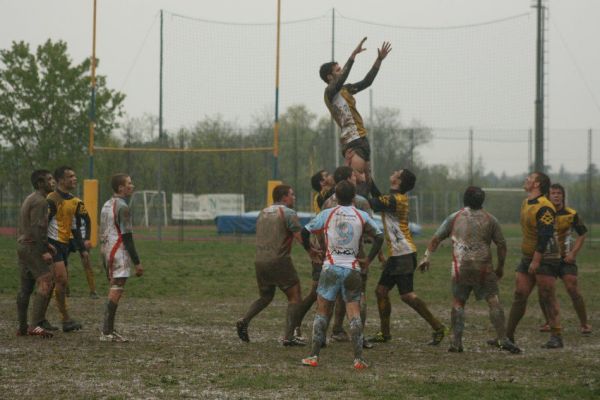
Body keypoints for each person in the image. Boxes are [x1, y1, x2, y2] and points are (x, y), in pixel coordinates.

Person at [419, 187, 520, 353]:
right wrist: (501, 266)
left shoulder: (455, 217)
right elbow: (501, 244)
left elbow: (436, 238)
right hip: (483, 266)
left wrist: (426, 257)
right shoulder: (490, 219)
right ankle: (502, 339)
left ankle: (456, 342)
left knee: (459, 301)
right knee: (493, 299)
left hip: (461, 266)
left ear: (464, 199)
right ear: (482, 201)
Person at [301, 180, 384, 369]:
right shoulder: (361, 215)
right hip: (353, 269)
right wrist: (369, 259)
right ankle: (358, 359)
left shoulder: (327, 214)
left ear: (335, 196)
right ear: (354, 196)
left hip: (330, 267)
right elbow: (379, 236)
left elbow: (304, 232)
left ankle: (313, 356)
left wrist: (310, 251)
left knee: (322, 310)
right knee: (353, 312)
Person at [365, 169, 447, 346]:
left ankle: (438, 327)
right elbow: (379, 198)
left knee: (407, 295)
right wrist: (367, 176)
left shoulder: (396, 200)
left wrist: (361, 184)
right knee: (381, 292)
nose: (393, 172)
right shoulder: (394, 198)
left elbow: (372, 202)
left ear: (399, 181)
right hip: (397, 254)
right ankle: (385, 333)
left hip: (404, 253)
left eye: (397, 172)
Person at [236, 184, 306, 346]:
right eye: (292, 195)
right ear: (283, 197)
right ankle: (289, 337)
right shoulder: (288, 213)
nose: (294, 198)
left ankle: (244, 320)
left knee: (266, 296)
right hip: (279, 260)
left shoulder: (263, 212)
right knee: (295, 296)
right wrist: (314, 254)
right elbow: (300, 238)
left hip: (260, 261)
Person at [320, 37, 392, 193]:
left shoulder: (345, 89)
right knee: (355, 182)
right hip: (351, 142)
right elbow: (343, 77)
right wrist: (353, 55)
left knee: (367, 182)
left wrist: (379, 60)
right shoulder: (330, 93)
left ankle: (375, 208)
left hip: (362, 138)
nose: (341, 71)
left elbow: (367, 82)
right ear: (330, 77)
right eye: (338, 70)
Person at [504, 172, 563, 349]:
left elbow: (545, 236)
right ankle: (507, 337)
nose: (526, 179)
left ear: (537, 184)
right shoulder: (526, 202)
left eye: (530, 178)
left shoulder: (545, 206)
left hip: (546, 257)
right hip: (529, 256)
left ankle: (556, 335)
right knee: (520, 294)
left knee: (547, 295)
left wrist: (536, 261)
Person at [320, 166, 373, 347]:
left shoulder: (327, 203)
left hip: (331, 256)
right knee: (357, 296)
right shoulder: (361, 203)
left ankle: (331, 332)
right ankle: (359, 337)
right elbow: (372, 232)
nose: (357, 178)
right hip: (355, 257)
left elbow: (320, 230)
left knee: (329, 296)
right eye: (354, 176)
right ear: (348, 180)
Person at [538, 183, 591, 335]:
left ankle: (584, 324)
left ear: (563, 196)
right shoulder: (542, 213)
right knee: (544, 291)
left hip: (565, 259)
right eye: (553, 193)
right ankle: (549, 322)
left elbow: (582, 234)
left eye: (558, 193)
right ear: (548, 196)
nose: (556, 195)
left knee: (572, 288)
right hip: (547, 258)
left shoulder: (571, 213)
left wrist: (573, 253)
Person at [99, 173, 144, 342]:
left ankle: (108, 329)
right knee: (117, 287)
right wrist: (137, 263)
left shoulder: (106, 204)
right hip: (118, 250)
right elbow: (127, 237)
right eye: (129, 183)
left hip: (106, 249)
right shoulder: (123, 207)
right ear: (120, 188)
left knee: (115, 287)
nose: (132, 186)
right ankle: (106, 331)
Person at [16, 170, 56, 338]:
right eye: (49, 179)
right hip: (33, 247)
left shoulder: (29, 198)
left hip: (23, 245)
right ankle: (35, 325)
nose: (53, 182)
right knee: (46, 280)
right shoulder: (41, 202)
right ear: (40, 183)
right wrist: (44, 250)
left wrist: (47, 244)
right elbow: (37, 227)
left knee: (25, 288)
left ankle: (22, 326)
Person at [46, 166, 84, 332]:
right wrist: (44, 246)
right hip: (52, 244)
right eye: (71, 176)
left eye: (75, 175)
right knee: (60, 280)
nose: (74, 179)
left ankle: (41, 318)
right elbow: (43, 223)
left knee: (58, 282)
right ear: (61, 180)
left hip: (64, 245)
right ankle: (65, 319)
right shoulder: (51, 199)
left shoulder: (74, 200)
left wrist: (82, 248)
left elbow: (75, 226)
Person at [68, 198, 99, 298]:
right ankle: (65, 290)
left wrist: (87, 238)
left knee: (86, 262)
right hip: (67, 236)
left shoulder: (77, 202)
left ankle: (93, 291)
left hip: (80, 236)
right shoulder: (56, 200)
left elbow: (88, 219)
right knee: (62, 263)